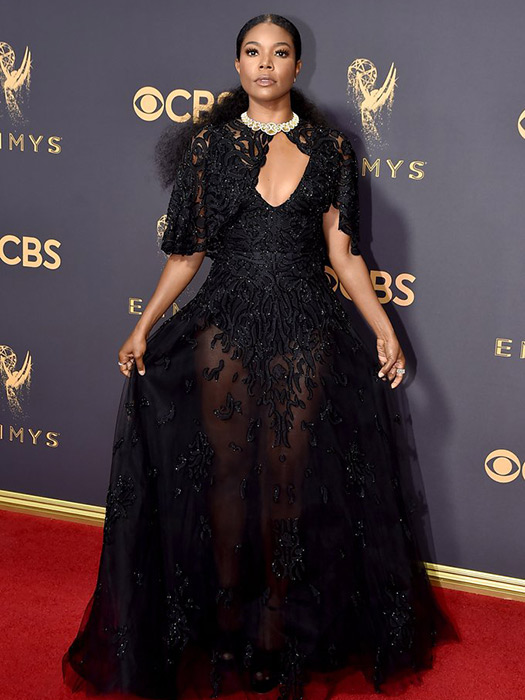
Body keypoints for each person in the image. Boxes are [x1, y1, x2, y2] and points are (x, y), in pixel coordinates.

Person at [62, 13, 459, 700]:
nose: (265, 64)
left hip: (306, 327)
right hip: (225, 327)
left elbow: (344, 255)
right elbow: (186, 254)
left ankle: (274, 621)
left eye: (279, 53)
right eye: (252, 52)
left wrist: (384, 328)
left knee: (286, 479)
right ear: (238, 64)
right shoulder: (208, 148)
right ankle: (225, 617)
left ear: (297, 66)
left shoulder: (331, 150)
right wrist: (143, 326)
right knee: (225, 474)